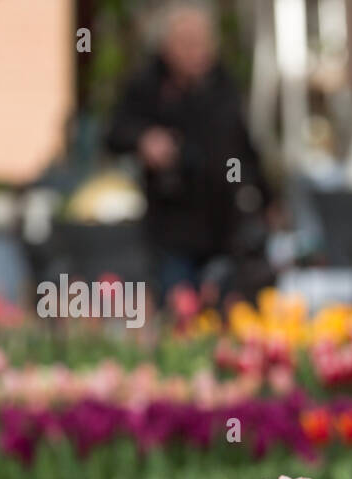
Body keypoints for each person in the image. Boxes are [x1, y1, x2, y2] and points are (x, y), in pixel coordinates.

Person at [105, 2, 273, 302]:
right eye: (186, 43)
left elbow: (245, 149)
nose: (196, 51)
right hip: (173, 228)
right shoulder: (149, 86)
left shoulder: (224, 87)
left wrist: (269, 199)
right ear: (167, 47)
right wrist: (144, 139)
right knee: (177, 310)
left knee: (226, 310)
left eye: (202, 42)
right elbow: (115, 132)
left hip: (223, 227)